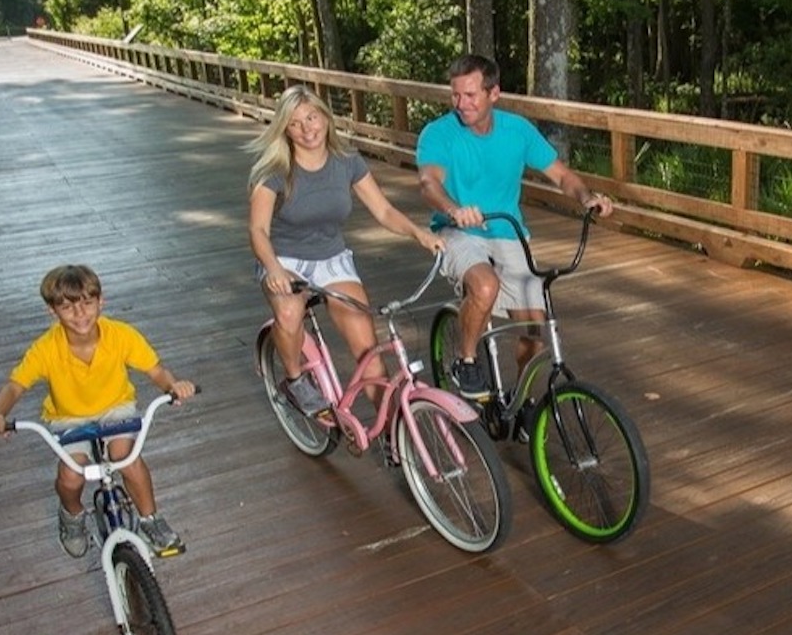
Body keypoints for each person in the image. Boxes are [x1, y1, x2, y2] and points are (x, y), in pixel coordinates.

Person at [415, 53, 613, 400]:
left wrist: (586, 197)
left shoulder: (517, 130)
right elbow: (429, 183)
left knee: (535, 327)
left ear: (494, 94)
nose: (461, 104)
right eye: (456, 95)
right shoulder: (439, 133)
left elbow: (561, 175)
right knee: (485, 287)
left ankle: (522, 399)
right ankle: (466, 358)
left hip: (507, 231)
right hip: (458, 231)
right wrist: (454, 209)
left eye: (471, 95)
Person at [250, 84, 445, 417]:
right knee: (289, 313)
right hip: (284, 259)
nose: (307, 128)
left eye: (312, 117)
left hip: (331, 257)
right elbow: (258, 230)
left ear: (325, 117)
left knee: (369, 353)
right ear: (285, 129)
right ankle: (296, 380)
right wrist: (274, 269)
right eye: (295, 123)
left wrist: (419, 234)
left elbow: (383, 211)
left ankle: (392, 433)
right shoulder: (275, 171)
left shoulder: (347, 161)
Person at [0, 265, 197, 556]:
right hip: (67, 416)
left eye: (87, 304)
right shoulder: (46, 348)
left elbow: (156, 371)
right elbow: (15, 386)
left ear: (100, 302)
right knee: (71, 475)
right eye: (67, 307)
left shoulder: (121, 335)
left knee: (127, 458)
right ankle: (72, 515)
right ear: (52, 312)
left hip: (116, 407)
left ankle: (149, 519)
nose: (80, 314)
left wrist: (173, 386)